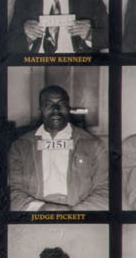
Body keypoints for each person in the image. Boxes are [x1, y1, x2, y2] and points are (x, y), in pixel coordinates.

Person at [8, 84, 108, 213]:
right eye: (49, 104)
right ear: (40, 110)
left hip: (80, 211)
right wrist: (41, 208)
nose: (56, 109)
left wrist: (74, 213)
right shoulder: (20, 146)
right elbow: (13, 191)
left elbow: (105, 189)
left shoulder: (94, 144)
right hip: (36, 212)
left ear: (69, 108)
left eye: (62, 104)